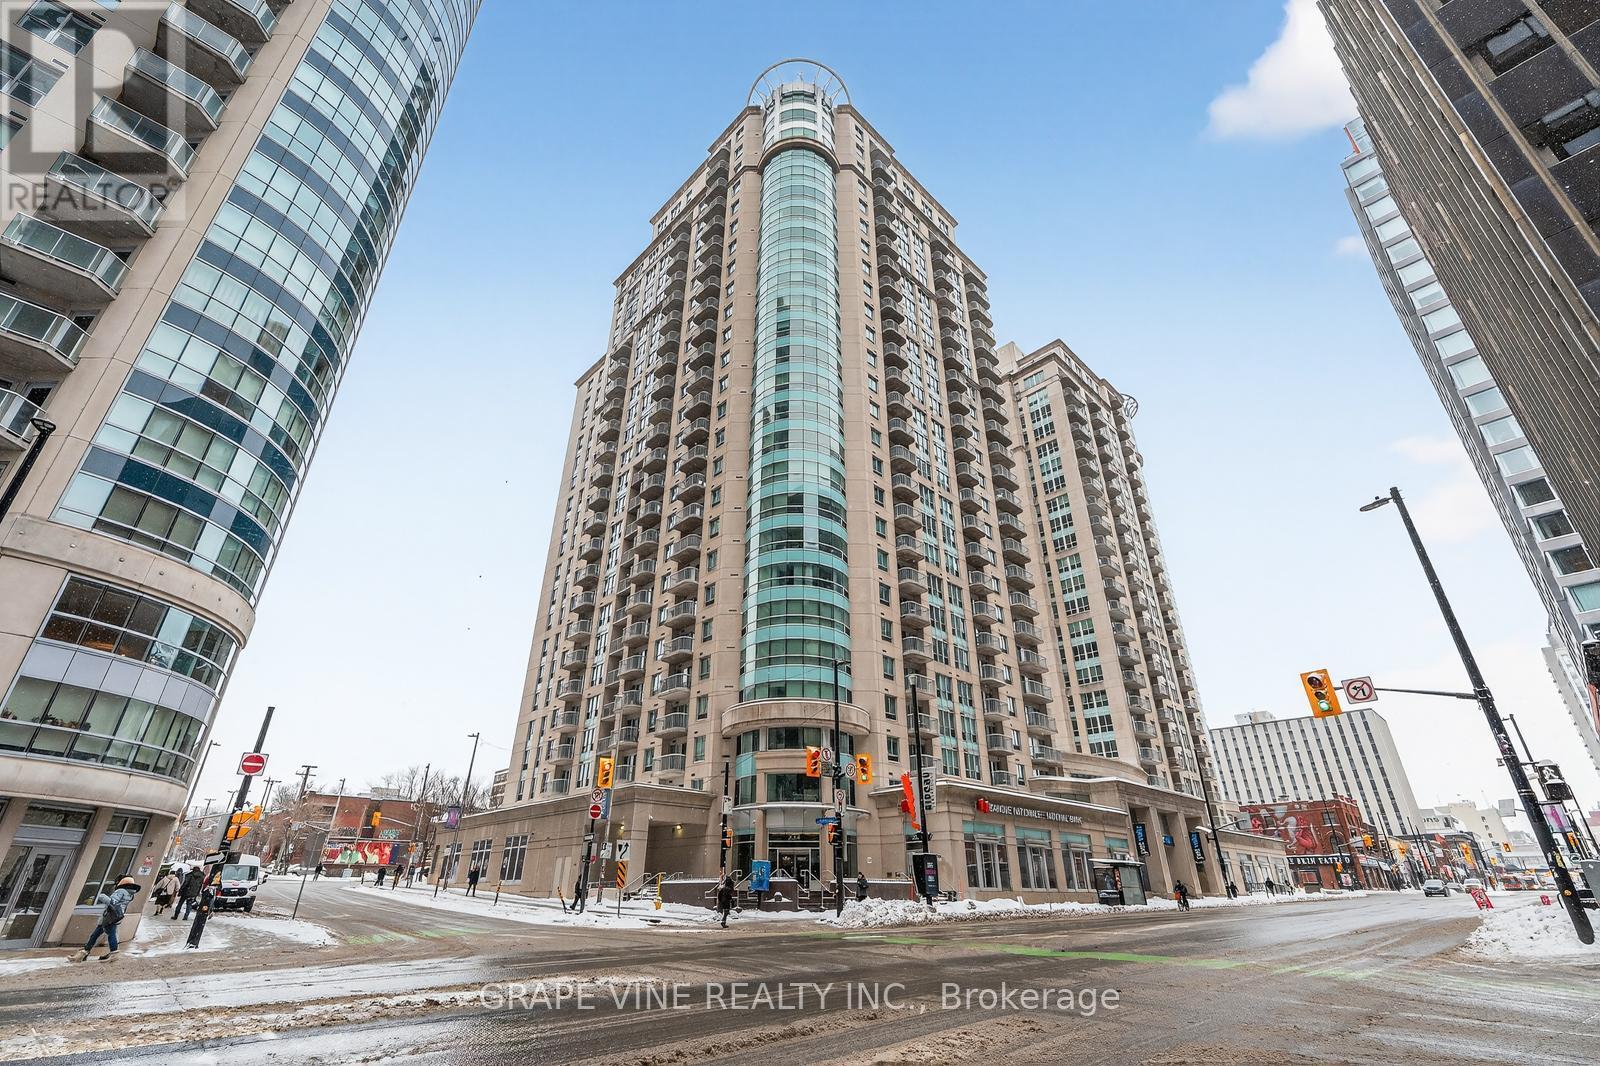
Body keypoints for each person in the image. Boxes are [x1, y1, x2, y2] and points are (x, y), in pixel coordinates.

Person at [72, 876, 142, 962]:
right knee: (95, 934)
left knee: (109, 935)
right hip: (116, 916)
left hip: (109, 916)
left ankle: (113, 953)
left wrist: (102, 896)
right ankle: (83, 953)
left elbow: (112, 902)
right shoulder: (130, 894)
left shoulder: (121, 891)